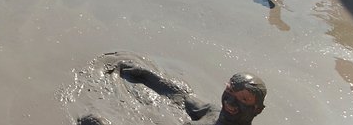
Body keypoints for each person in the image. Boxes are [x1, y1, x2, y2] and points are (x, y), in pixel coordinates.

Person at [75, 53, 268, 125]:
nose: (230, 102)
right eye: (229, 92)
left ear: (257, 110)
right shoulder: (213, 112)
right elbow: (181, 95)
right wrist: (147, 75)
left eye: (243, 99)